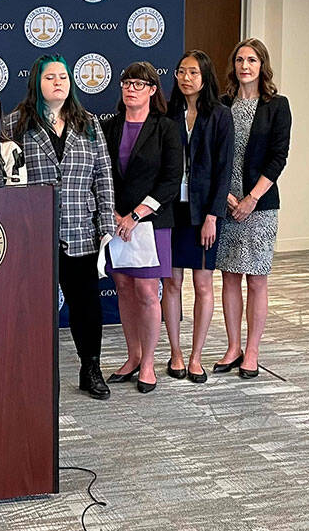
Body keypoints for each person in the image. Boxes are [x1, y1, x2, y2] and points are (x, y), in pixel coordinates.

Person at [4, 55, 116, 400]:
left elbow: (103, 174)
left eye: (64, 77)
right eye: (50, 77)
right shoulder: (15, 123)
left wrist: (106, 222)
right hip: (31, 235)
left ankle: (91, 369)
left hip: (80, 229)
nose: (58, 83)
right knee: (29, 307)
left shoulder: (89, 124)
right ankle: (29, 373)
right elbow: (4, 178)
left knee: (86, 305)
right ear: (37, 82)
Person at [102, 62, 183, 394]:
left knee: (148, 294)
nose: (130, 88)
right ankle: (132, 356)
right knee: (124, 289)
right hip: (116, 222)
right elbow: (101, 174)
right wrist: (116, 213)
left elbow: (170, 180)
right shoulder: (109, 126)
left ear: (152, 90)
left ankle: (149, 362)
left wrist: (135, 215)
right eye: (126, 82)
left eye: (138, 83)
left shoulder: (166, 128)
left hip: (150, 224)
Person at [214, 38, 291, 380]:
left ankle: (253, 350)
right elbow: (211, 156)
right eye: (240, 60)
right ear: (233, 65)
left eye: (252, 60)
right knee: (229, 277)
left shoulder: (277, 105)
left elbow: (278, 158)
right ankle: (233, 347)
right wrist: (227, 198)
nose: (245, 66)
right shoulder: (221, 105)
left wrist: (250, 199)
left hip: (260, 207)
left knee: (257, 279)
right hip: (225, 206)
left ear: (263, 67)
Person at [161, 50, 234, 384]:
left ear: (205, 76)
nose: (185, 78)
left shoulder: (220, 115)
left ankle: (196, 357)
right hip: (170, 210)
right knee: (171, 283)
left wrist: (213, 216)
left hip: (202, 212)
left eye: (192, 72)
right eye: (180, 71)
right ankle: (175, 353)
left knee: (202, 284)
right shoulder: (167, 113)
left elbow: (224, 171)